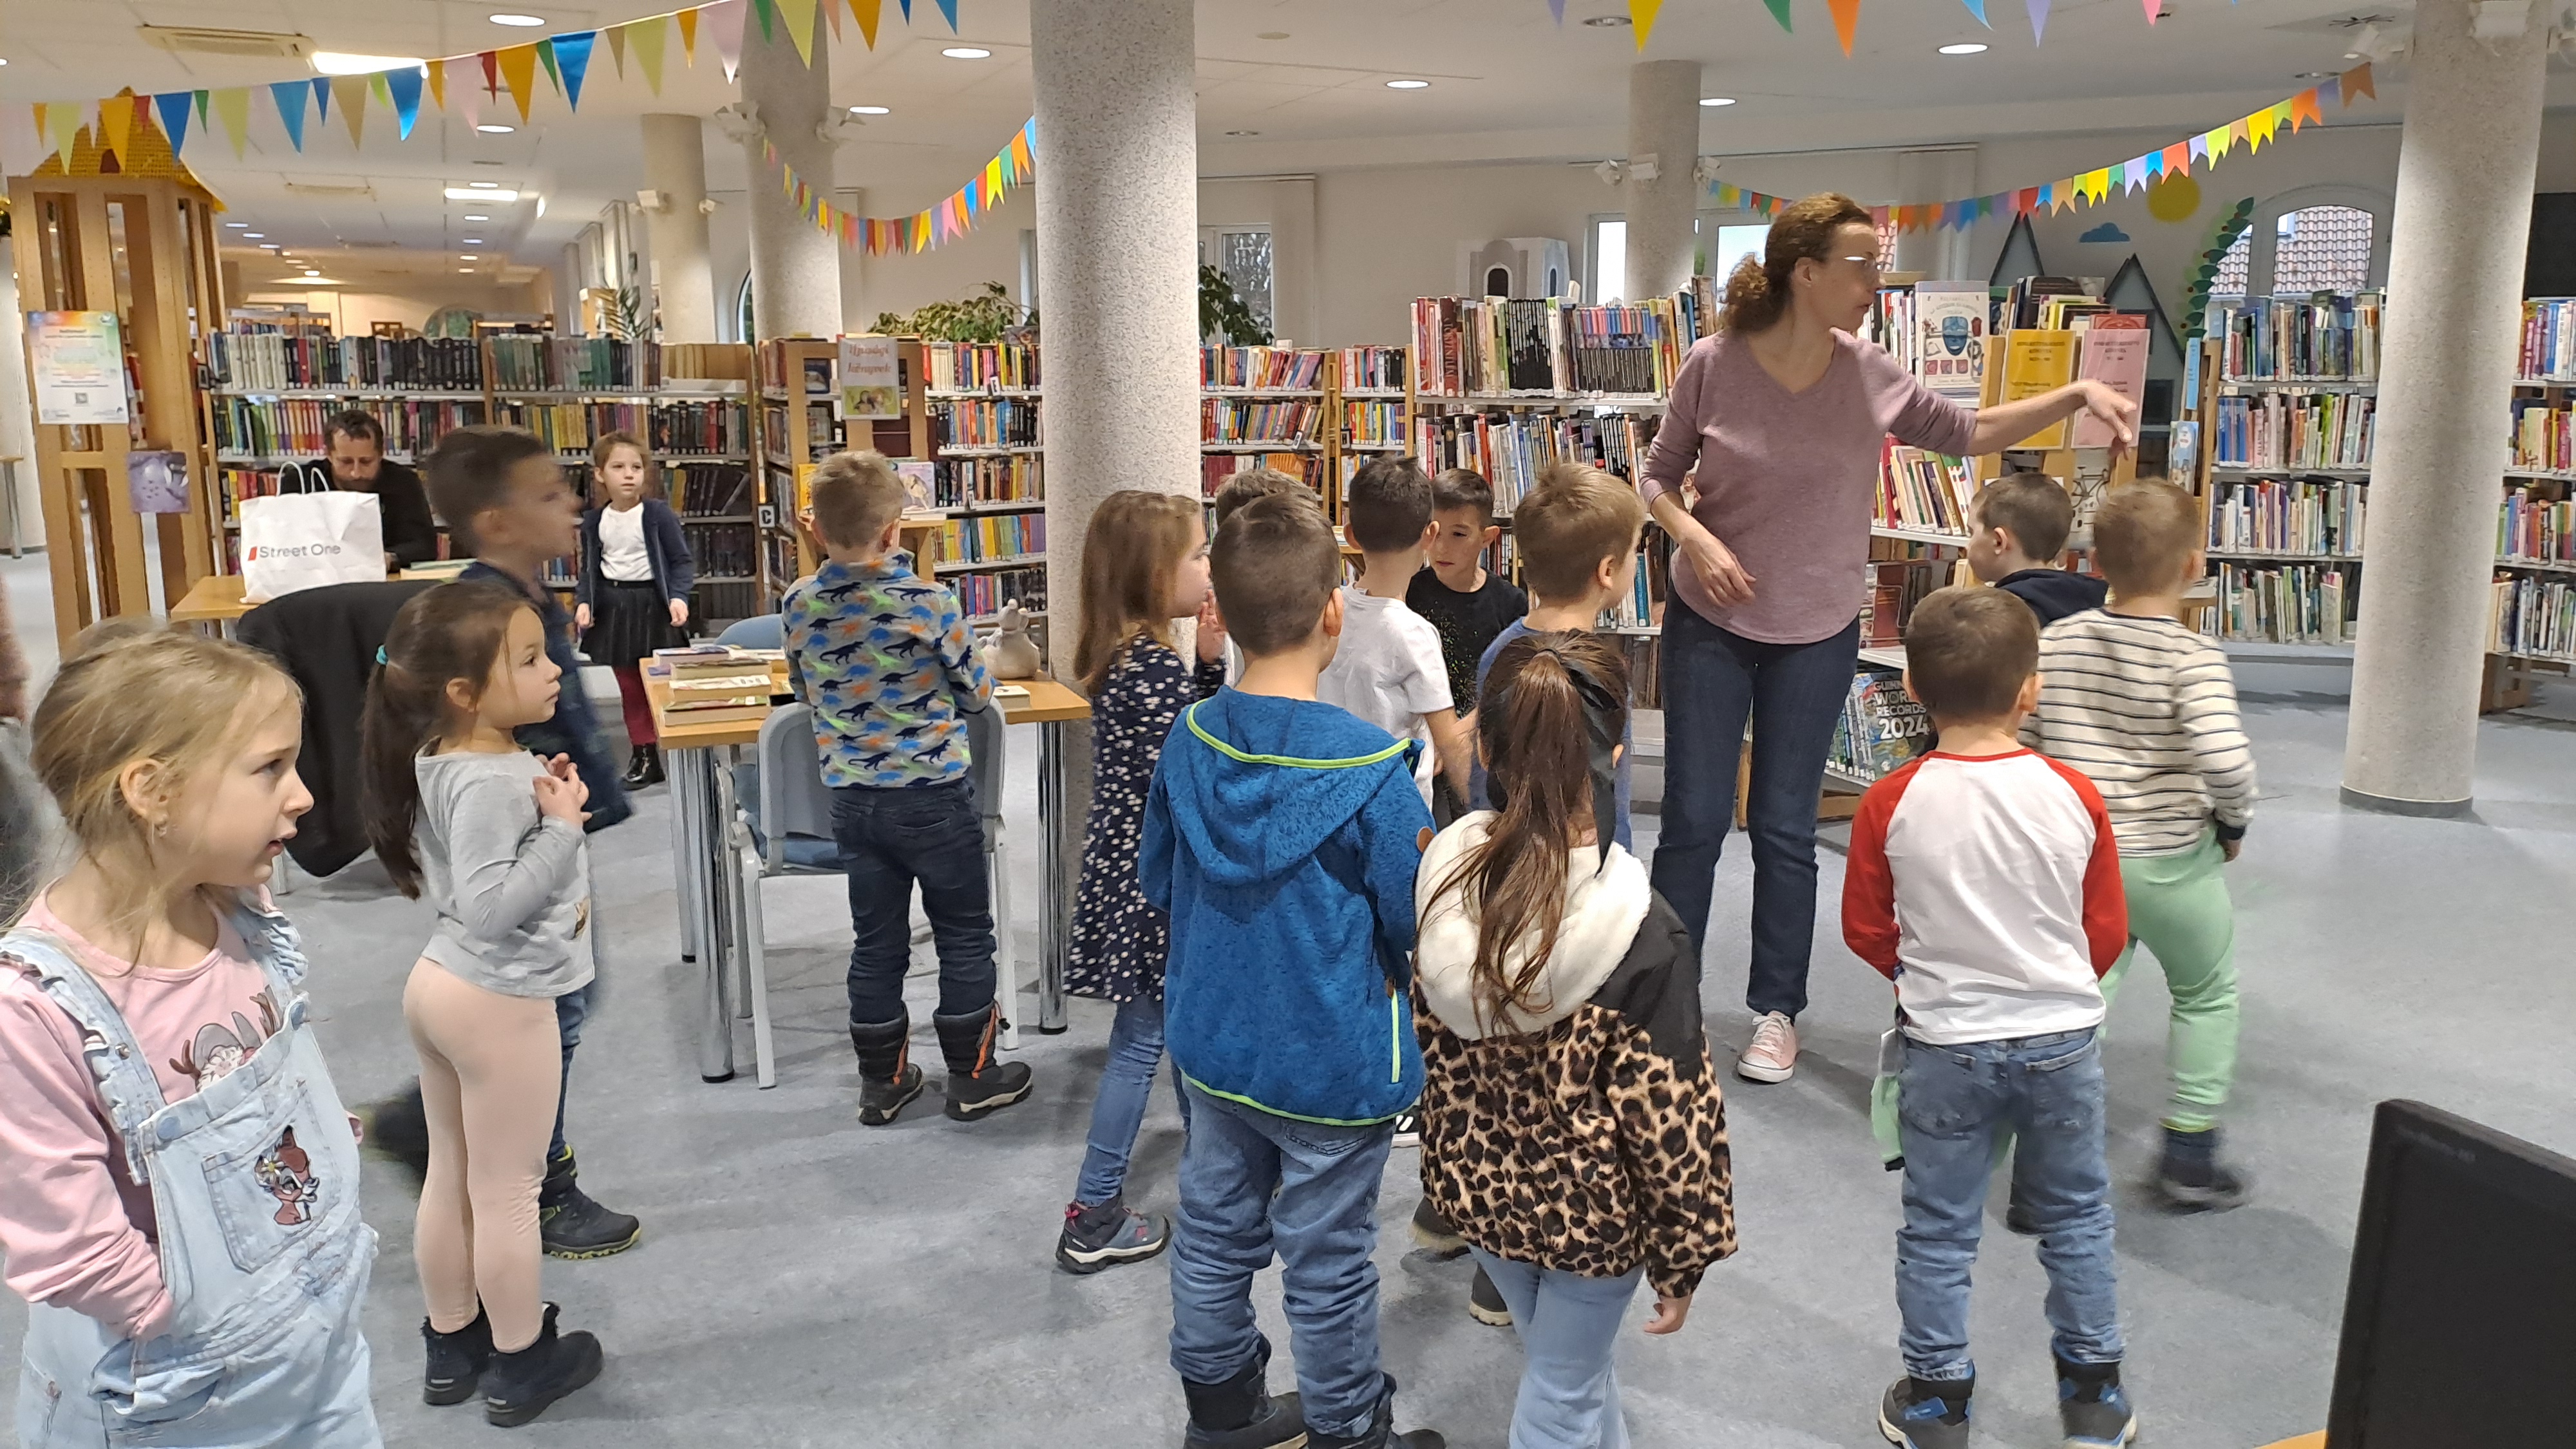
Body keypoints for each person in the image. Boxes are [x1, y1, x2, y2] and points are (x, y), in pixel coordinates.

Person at [1640, 191, 2140, 1086]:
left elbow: (1969, 432)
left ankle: (1776, 1011)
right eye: (1861, 265)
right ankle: (1666, 1008)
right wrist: (1694, 539)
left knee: (1785, 827)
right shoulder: (1714, 364)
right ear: (1806, 272)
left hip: (1816, 628)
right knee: (1694, 821)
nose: (1876, 281)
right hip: (1708, 620)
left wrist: (2073, 393)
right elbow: (1656, 478)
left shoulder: (1869, 371)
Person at [0, 623, 378, 1446]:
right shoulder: (34, 1008)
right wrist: (186, 1320)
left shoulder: (240, 913)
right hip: (180, 1396)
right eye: (270, 768)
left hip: (320, 1349)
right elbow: (69, 1245)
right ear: (152, 791)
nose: (302, 796)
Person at [1144, 493, 1443, 1449]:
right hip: (1332, 1060)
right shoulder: (1374, 768)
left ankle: (1222, 1408)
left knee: (1213, 1229)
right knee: (1329, 1260)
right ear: (1332, 613)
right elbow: (1414, 918)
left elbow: (1158, 878)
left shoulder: (1187, 739)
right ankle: (1349, 1427)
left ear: (1220, 615)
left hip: (1215, 1043)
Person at [1414, 630, 1736, 1449]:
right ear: (1616, 757)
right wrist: (1683, 1257)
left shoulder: (1442, 884)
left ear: (1486, 750)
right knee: (1562, 1395)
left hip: (1479, 1194)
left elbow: (1433, 1049)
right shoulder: (1643, 933)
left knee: (1572, 1374)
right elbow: (1673, 1121)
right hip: (1591, 1223)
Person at [1840, 586, 2135, 1449]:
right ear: (2030, 691)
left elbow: (1866, 926)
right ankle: (2094, 1398)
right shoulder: (2073, 792)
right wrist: (2052, 984)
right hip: (2063, 1041)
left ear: (1913, 691)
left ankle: (1937, 1402)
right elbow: (2105, 927)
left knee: (1939, 1226)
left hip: (1945, 1045)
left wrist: (1921, 977)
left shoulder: (1891, 800)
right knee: (2077, 1216)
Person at [362, 581, 607, 1427]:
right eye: (529, 659)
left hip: (442, 986)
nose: (553, 670)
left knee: (453, 1174)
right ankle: (521, 1360)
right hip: (499, 1000)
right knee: (508, 1191)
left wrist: (543, 799)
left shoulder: (450, 753)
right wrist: (562, 827)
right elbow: (492, 905)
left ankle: (452, 1341)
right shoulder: (493, 779)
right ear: (466, 691)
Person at [420, 425, 639, 1258]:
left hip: (551, 829)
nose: (574, 503)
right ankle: (539, 1186)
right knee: (547, 1011)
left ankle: (502, 1149)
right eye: (549, 494)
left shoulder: (529, 597)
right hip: (523, 844)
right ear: (498, 521)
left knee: (568, 999)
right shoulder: (485, 615)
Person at [2021, 478, 2257, 1210]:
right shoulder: (2193, 657)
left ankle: (2046, 1157)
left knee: (2080, 1001)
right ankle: (2189, 1153)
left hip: (2084, 864)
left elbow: (2025, 741)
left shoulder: (2057, 643)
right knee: (2206, 994)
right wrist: (2232, 823)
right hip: (2174, 865)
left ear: (2093, 564)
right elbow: (2226, 763)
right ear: (2193, 566)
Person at [782, 450, 1031, 1126]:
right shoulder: (929, 603)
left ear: (813, 528)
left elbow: (802, 689)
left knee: (876, 941)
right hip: (933, 799)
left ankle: (883, 1083)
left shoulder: (799, 604)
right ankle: (973, 1077)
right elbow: (976, 694)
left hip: (853, 805)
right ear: (895, 530)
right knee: (963, 933)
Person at [1055, 491, 1228, 1274]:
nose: (1209, 567)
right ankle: (1093, 1210)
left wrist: (1208, 664)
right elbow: (1199, 768)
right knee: (1142, 1043)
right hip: (1156, 888)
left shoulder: (1135, 661)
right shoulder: (1152, 669)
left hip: (1131, 877)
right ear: (1156, 574)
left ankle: (1214, 1173)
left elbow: (1180, 741)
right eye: (1196, 555)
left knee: (1171, 1034)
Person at [1316, 457, 1468, 813]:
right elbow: (1451, 744)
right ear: (1430, 534)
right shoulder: (1415, 635)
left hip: (1330, 799)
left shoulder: (1328, 610)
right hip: (1395, 812)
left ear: (1351, 536)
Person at [572, 431, 696, 789]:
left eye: (637, 468)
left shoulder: (657, 515)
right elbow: (590, 569)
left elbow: (681, 561)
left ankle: (682, 750)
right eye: (618, 467)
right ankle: (644, 755)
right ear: (599, 474)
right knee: (629, 687)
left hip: (653, 606)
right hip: (615, 608)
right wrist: (585, 601)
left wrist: (679, 597)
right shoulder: (594, 521)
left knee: (662, 684)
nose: (629, 475)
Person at [1405, 468, 1526, 826]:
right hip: (1422, 742)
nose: (1442, 547)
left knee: (1482, 827)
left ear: (1487, 538)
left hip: (1486, 744)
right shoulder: (1409, 593)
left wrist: (1467, 738)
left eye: (1458, 534)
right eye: (1434, 532)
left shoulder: (1510, 603)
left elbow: (1512, 682)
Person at [284, 409, 441, 569]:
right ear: (329, 455)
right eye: (346, 462)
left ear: (380, 454)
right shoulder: (299, 482)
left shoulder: (403, 481)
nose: (356, 473)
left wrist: (391, 558)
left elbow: (425, 546)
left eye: (366, 462)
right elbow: (285, 545)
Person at [1964, 470, 2108, 625]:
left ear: (1999, 542)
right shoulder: (2096, 601)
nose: (1967, 546)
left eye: (1972, 533)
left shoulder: (1996, 618)